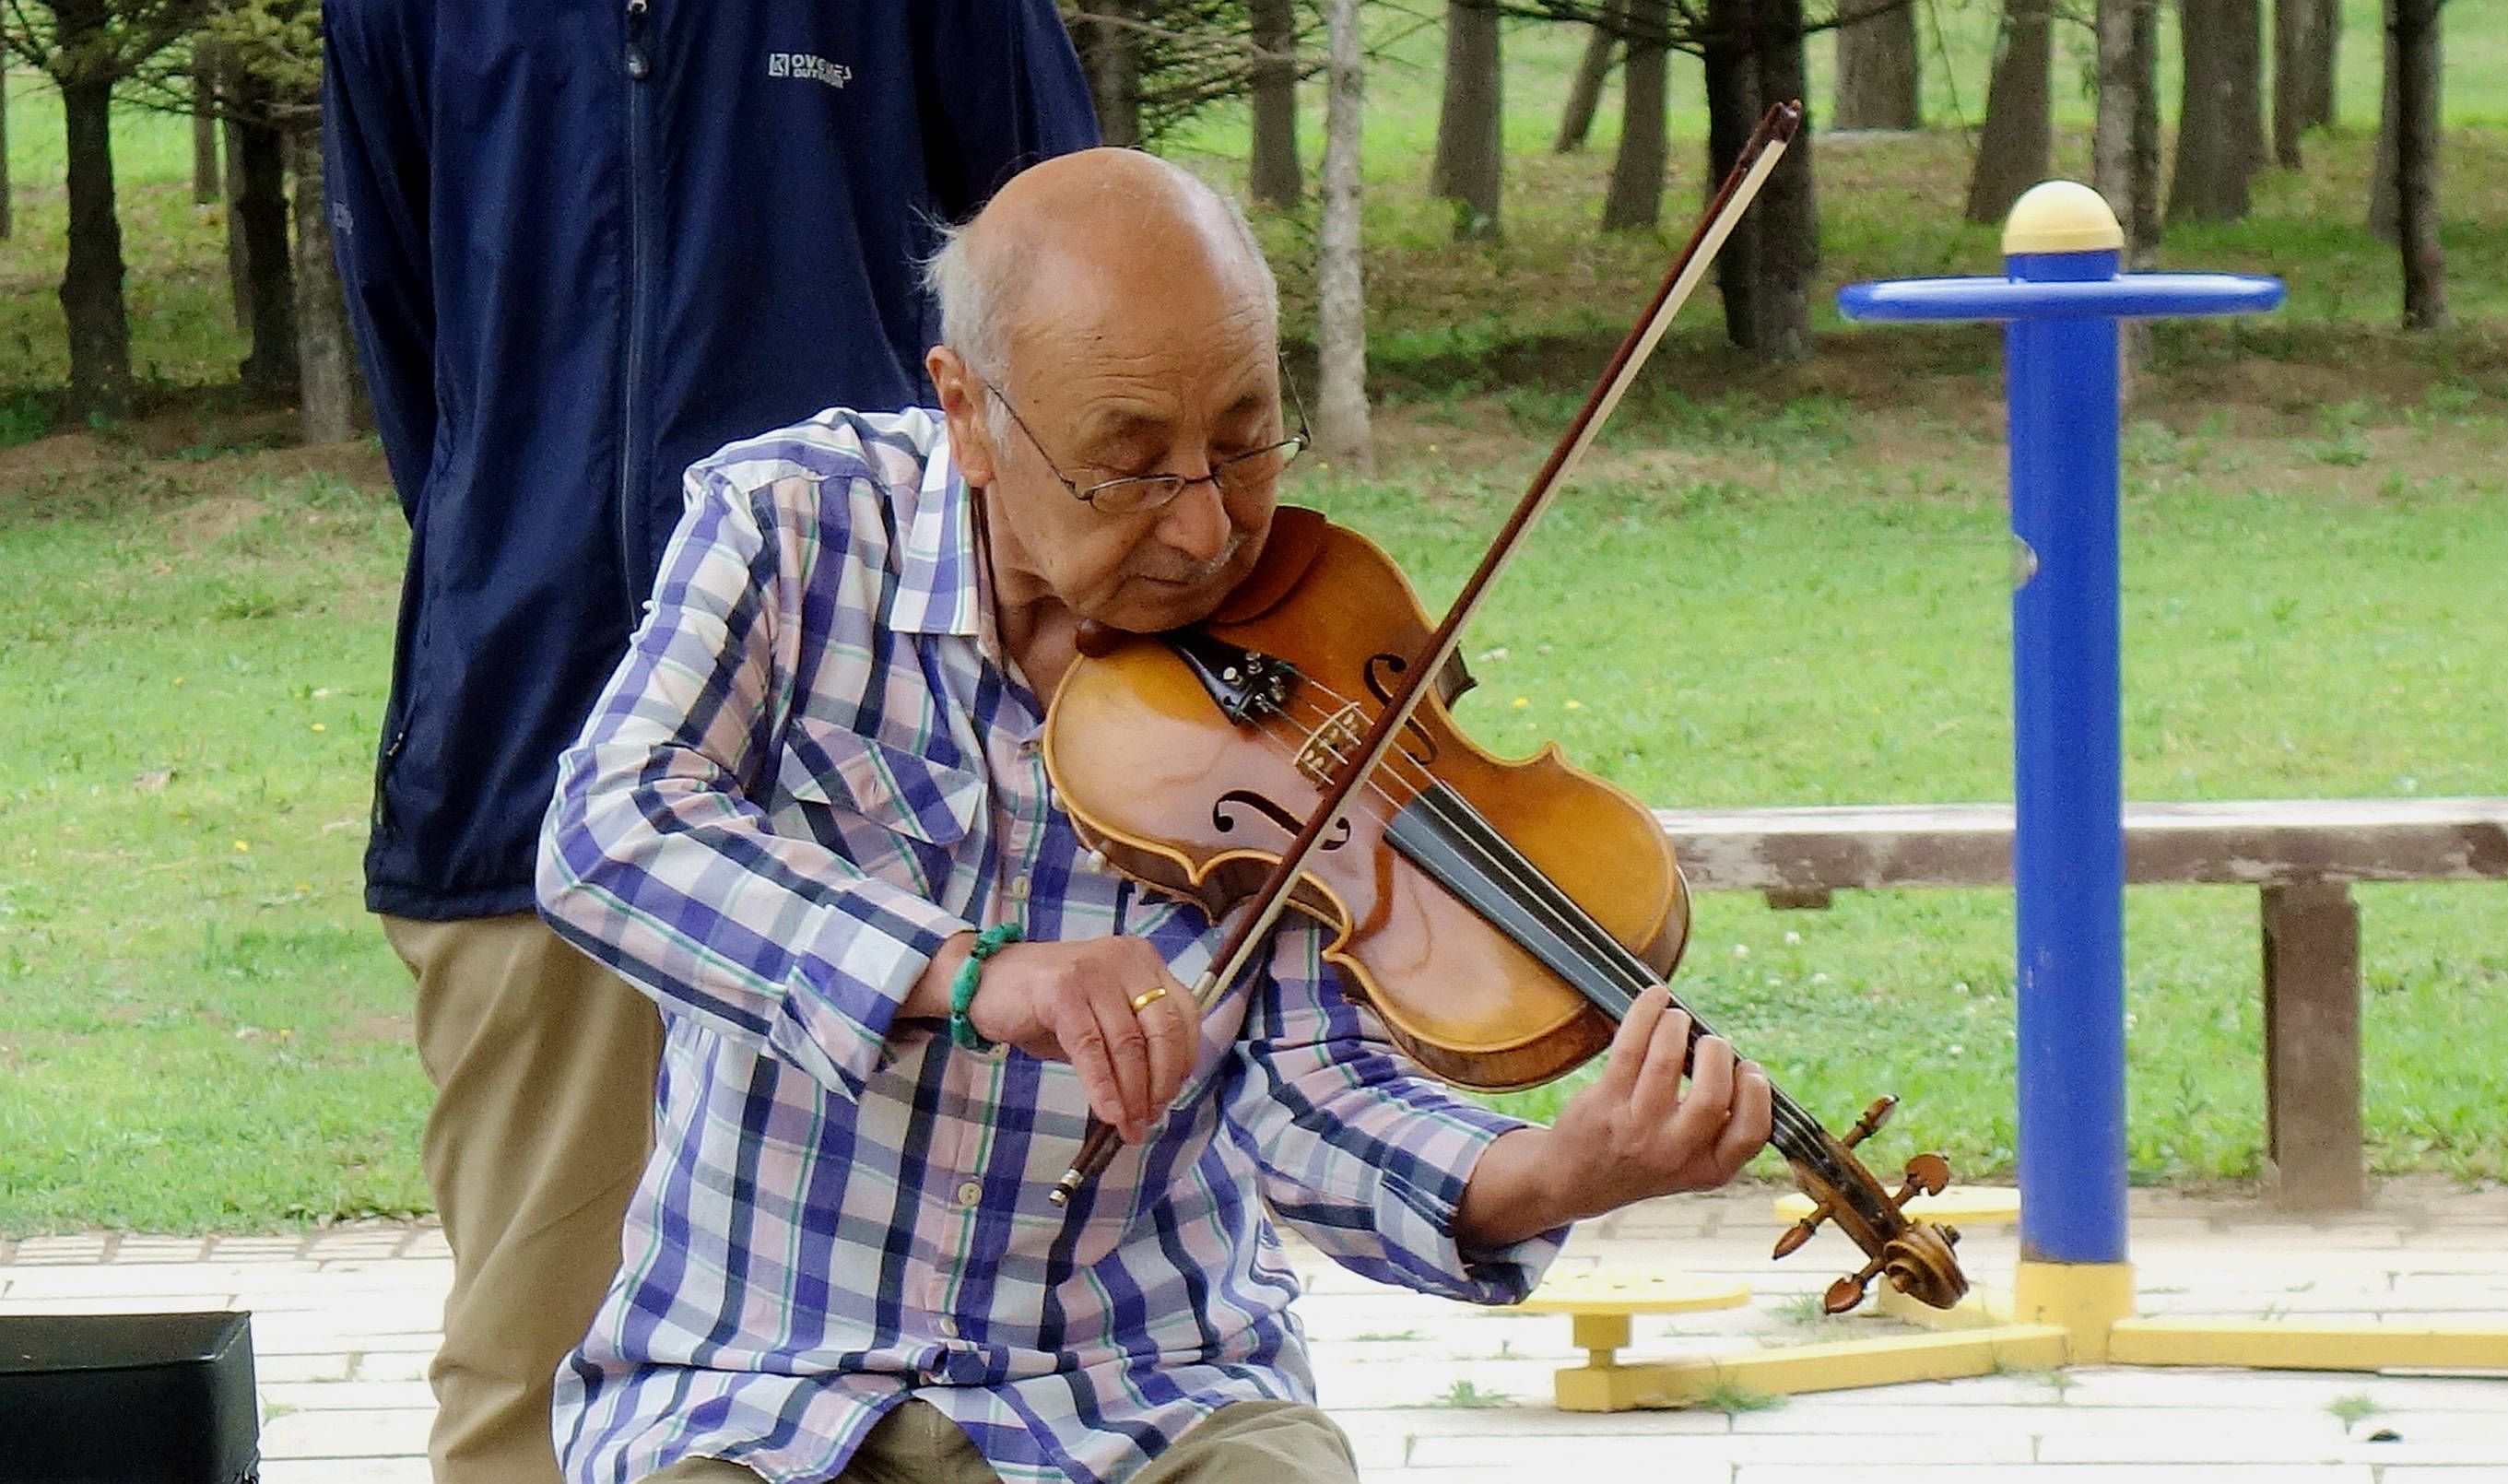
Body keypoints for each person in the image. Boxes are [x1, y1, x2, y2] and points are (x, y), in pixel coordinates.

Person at [536, 148, 1777, 1484]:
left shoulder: (1313, 646)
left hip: (1150, 1384)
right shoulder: (796, 525)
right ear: (967, 412)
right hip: (765, 1377)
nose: (1206, 532)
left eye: (1243, 443)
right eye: (1128, 469)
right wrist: (970, 972)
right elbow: (610, 831)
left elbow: (1314, 1090)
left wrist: (1555, 1172)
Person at [318, 6, 1097, 1479]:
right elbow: (415, 354)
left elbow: (1072, 291)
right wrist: (516, 551)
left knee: (915, 1394)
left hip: (888, 764)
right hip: (527, 741)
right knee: (530, 1380)